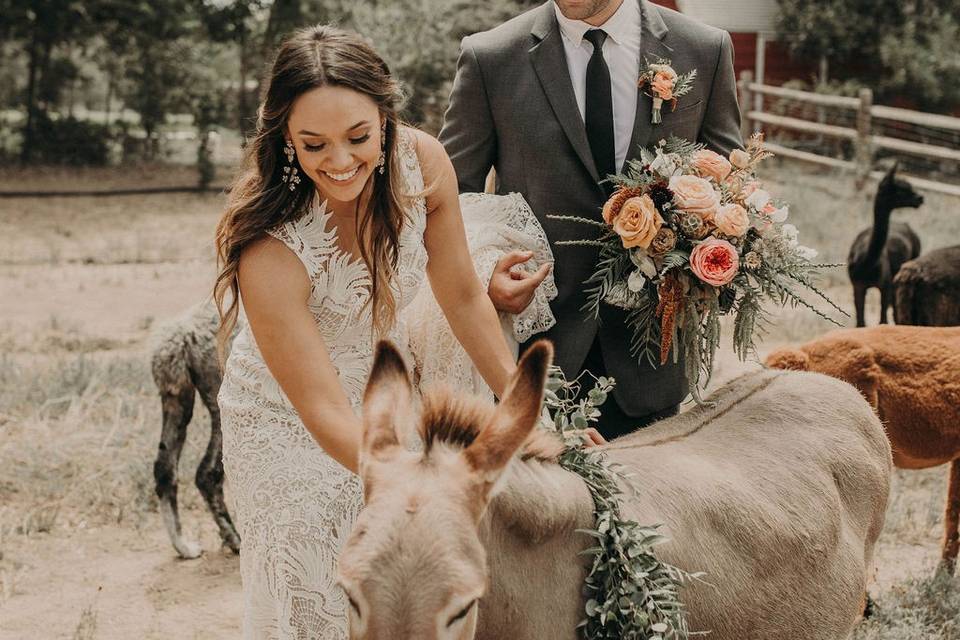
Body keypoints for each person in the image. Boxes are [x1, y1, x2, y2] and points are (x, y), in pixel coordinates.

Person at [213, 25, 538, 639]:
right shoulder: (269, 252)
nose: (339, 162)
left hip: (381, 402)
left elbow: (464, 295)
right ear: (285, 138)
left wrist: (533, 414)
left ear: (387, 117)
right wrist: (413, 482)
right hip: (285, 421)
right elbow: (320, 409)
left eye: (358, 137)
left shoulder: (423, 164)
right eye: (314, 145)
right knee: (333, 546)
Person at [440, 0, 744, 440]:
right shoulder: (491, 57)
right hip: (532, 351)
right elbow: (448, 202)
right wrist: (484, 274)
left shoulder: (704, 48)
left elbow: (728, 185)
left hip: (651, 360)